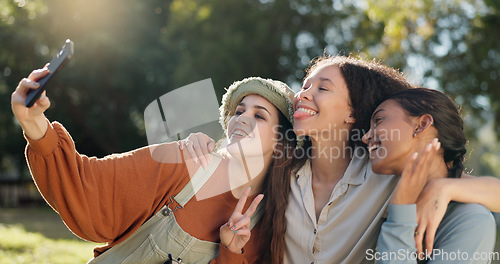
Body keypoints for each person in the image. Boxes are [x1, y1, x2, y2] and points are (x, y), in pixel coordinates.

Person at [179, 55, 500, 263]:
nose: (302, 94)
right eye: (304, 86)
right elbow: (238, 148)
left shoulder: (384, 172)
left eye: (322, 88)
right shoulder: (283, 166)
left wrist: (444, 189)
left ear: (351, 113)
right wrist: (199, 141)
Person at [11, 67, 296, 263]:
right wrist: (34, 123)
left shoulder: (270, 224)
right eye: (239, 110)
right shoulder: (186, 161)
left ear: (281, 141)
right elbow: (90, 183)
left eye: (260, 116)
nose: (243, 118)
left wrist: (231, 253)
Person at [362, 88, 496, 263]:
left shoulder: (471, 220)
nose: (365, 137)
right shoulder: (376, 191)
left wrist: (400, 218)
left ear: (422, 124)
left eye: (378, 120)